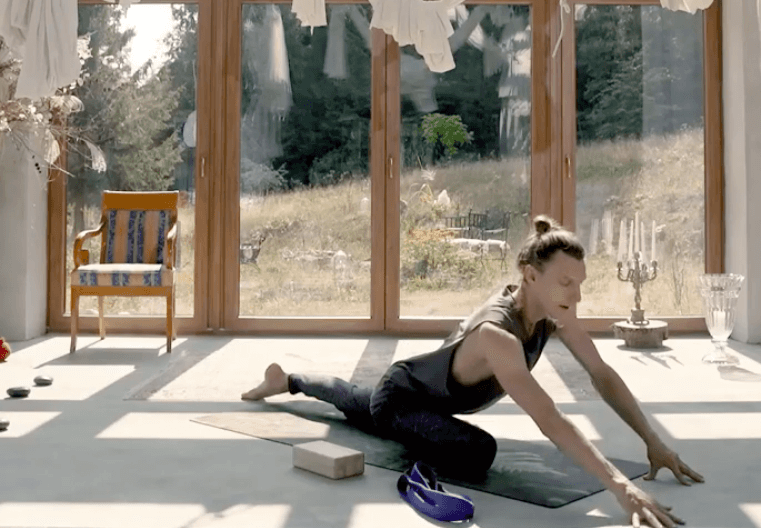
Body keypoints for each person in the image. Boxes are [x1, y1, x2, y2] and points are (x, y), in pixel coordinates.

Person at [242, 216, 703, 528]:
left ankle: (288, 379)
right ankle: (292, 381)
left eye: (579, 284)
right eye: (567, 283)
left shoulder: (553, 309)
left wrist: (653, 441)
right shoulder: (496, 335)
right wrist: (619, 486)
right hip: (402, 396)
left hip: (415, 393)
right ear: (530, 275)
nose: (576, 296)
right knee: (474, 448)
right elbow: (549, 417)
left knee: (357, 403)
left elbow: (602, 374)